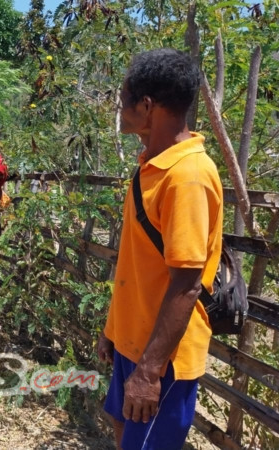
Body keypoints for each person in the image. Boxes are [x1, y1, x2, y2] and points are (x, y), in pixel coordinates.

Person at [97, 49, 222, 450]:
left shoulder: (187, 177)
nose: (120, 110)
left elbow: (186, 284)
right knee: (124, 434)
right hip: (133, 339)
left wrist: (150, 372)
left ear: (146, 107)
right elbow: (139, 263)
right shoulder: (153, 165)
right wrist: (113, 330)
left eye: (123, 102)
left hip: (162, 358)